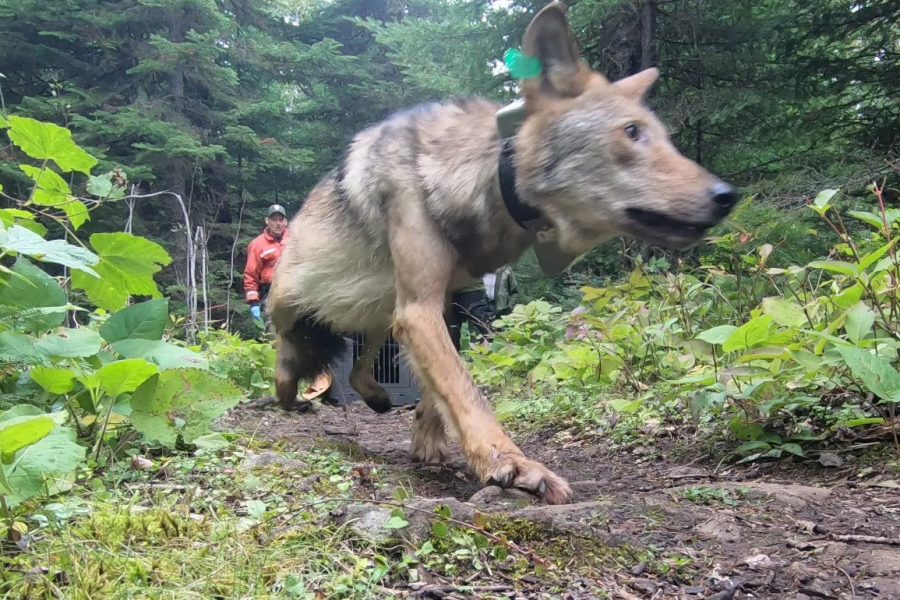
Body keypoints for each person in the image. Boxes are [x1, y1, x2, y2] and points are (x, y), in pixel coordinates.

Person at [243, 204, 289, 323]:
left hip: (294, 293)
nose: (277, 223)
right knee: (274, 332)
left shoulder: (296, 240)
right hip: (270, 295)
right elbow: (251, 275)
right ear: (267, 221)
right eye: (274, 220)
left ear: (286, 222)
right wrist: (254, 303)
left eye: (281, 219)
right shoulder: (257, 245)